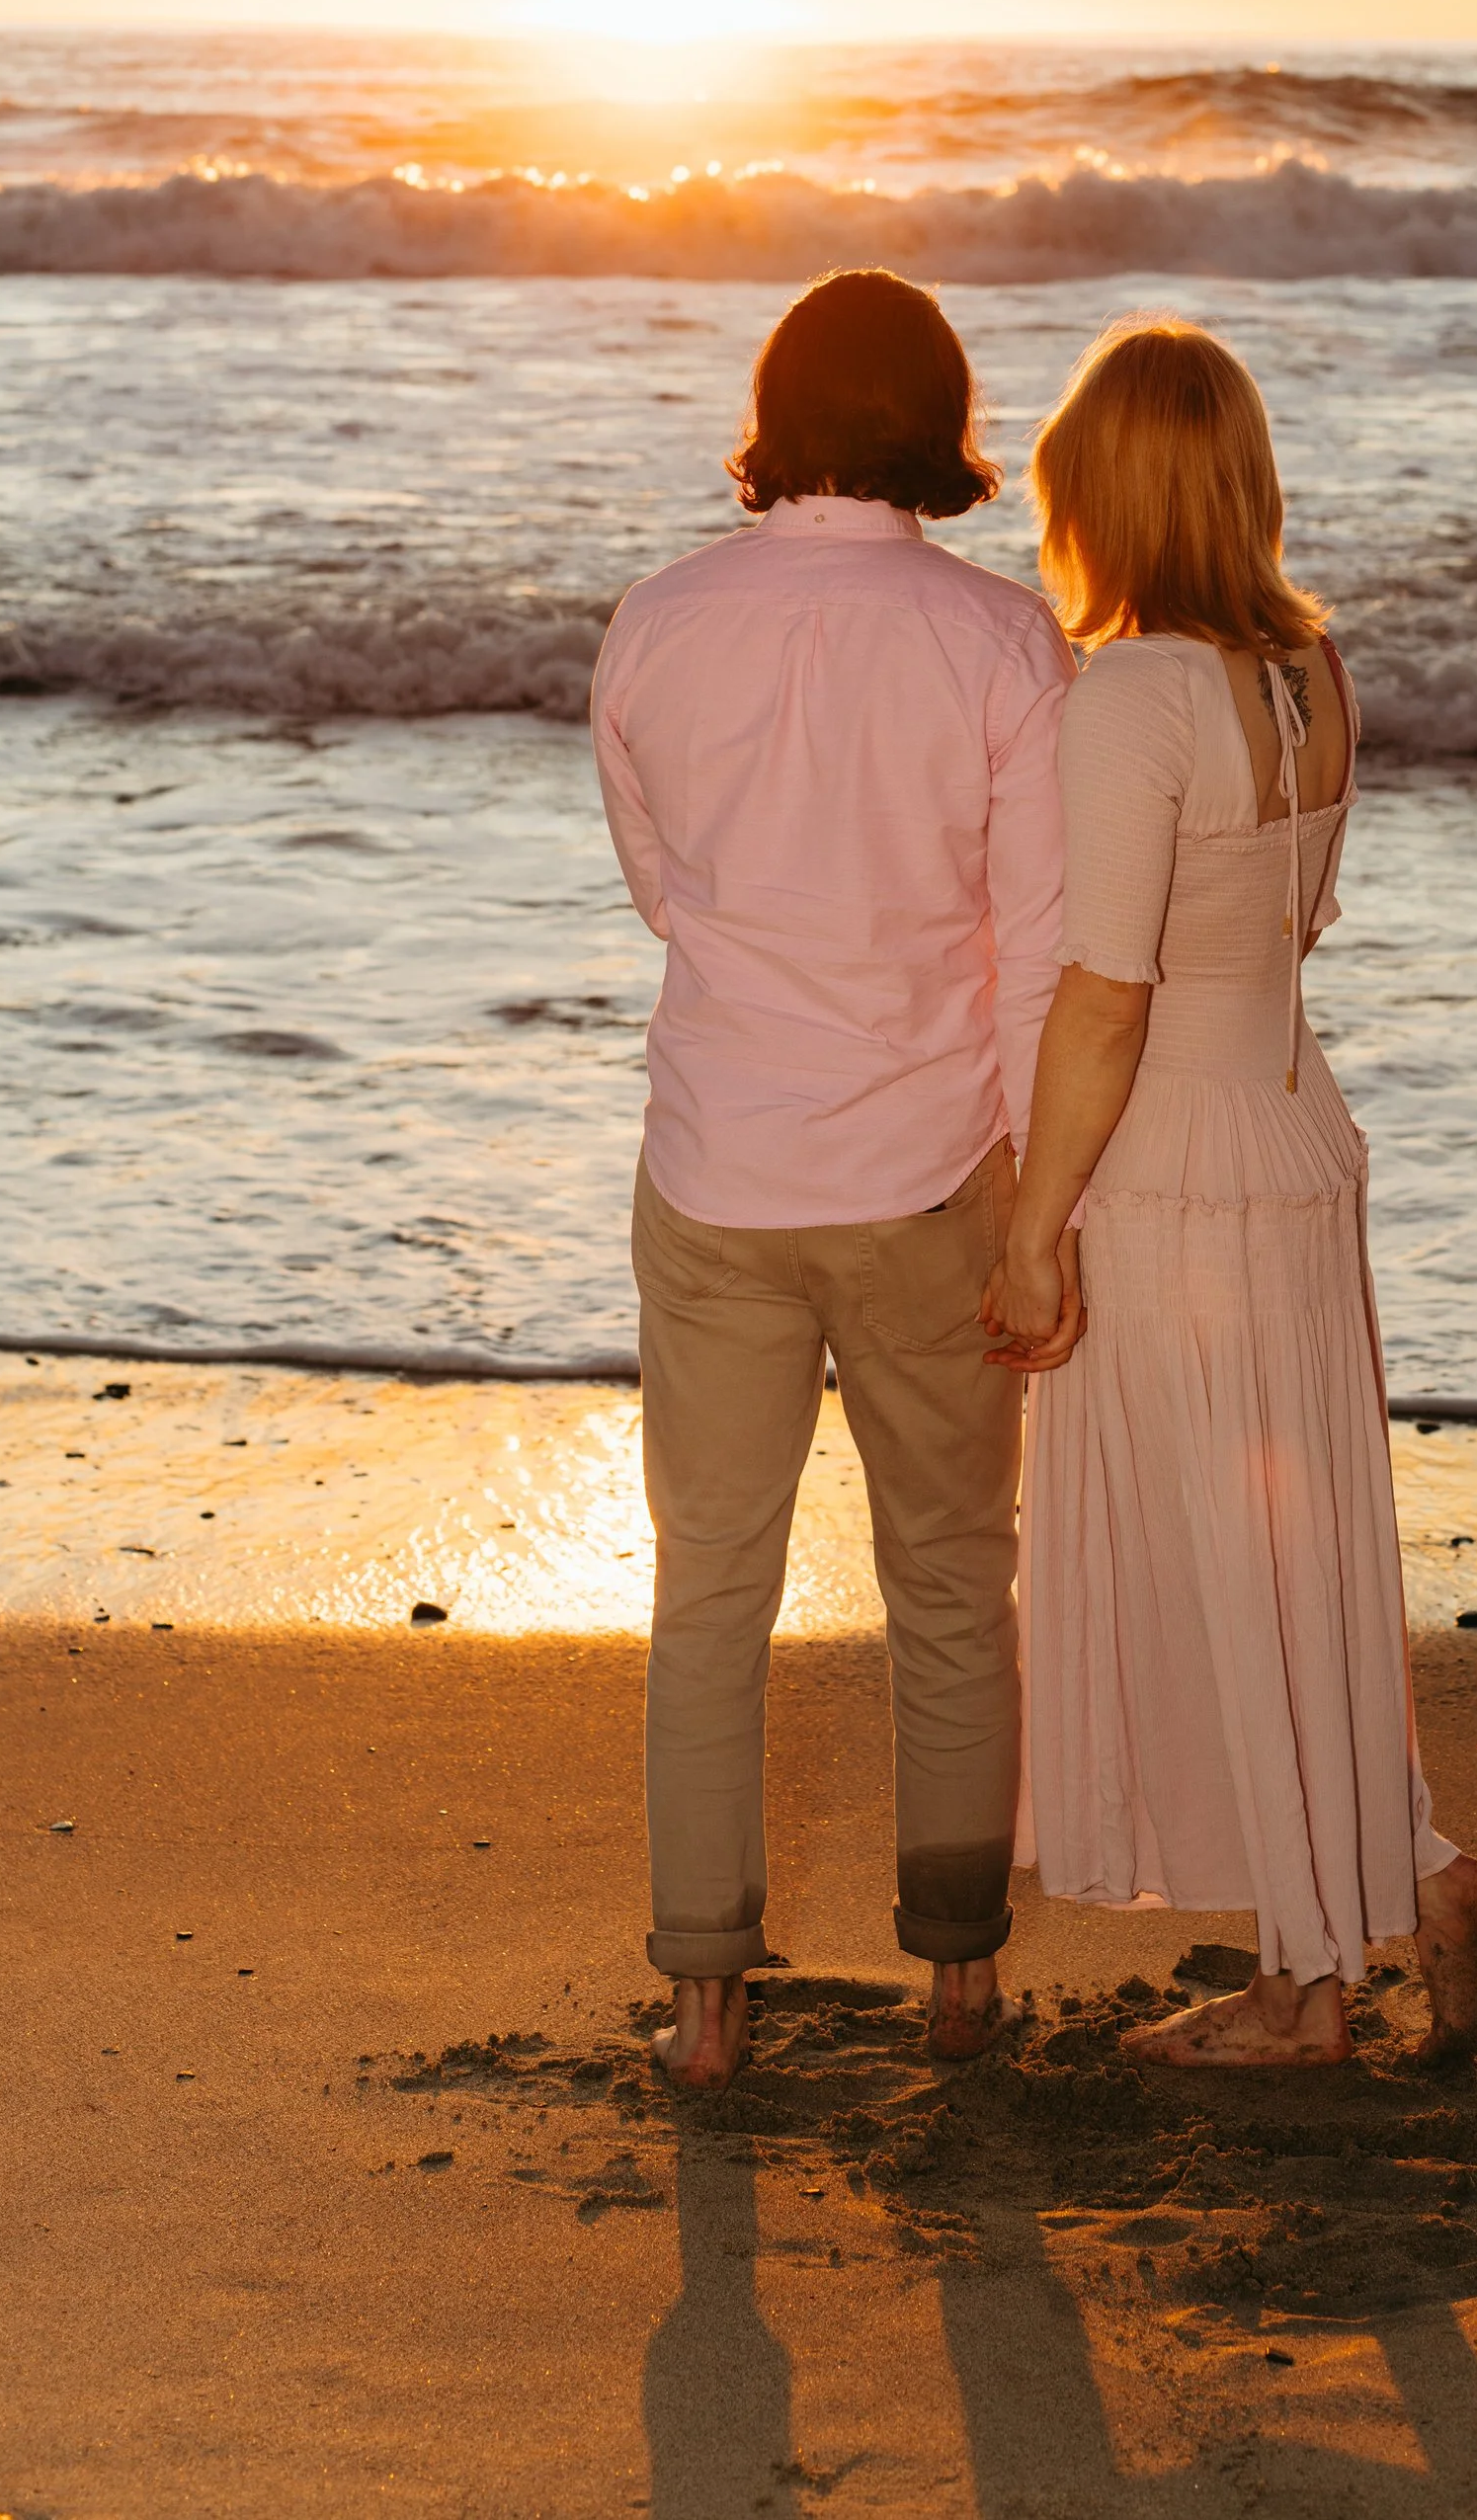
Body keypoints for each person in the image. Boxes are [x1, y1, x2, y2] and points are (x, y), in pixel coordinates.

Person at [985, 316, 1477, 2069]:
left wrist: (1034, 1222)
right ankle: (1412, 1876)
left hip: (1180, 1166)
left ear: (1104, 495)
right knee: (1299, 1565)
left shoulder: (1132, 694)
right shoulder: (1312, 672)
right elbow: (1284, 928)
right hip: (1297, 1138)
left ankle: (1309, 1988)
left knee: (1225, 1563)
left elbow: (1107, 991)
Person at [591, 269, 1078, 2092]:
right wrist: (1039, 1220)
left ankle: (706, 1997)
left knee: (709, 1583)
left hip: (719, 1162)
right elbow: (1037, 957)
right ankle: (957, 1979)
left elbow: (664, 891)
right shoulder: (1006, 645)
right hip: (930, 1168)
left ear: (777, 414)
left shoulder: (656, 621)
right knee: (952, 1578)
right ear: (938, 424)